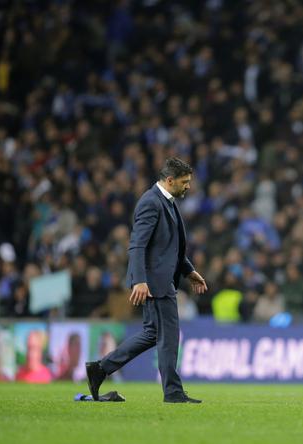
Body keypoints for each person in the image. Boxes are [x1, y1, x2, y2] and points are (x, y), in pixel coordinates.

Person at [85, 158, 207, 403]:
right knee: (169, 335)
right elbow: (138, 244)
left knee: (152, 334)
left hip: (159, 279)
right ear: (169, 180)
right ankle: (173, 392)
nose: (188, 187)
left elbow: (168, 247)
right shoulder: (151, 202)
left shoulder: (167, 202)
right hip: (155, 282)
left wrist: (188, 270)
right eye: (184, 182)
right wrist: (139, 280)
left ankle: (100, 368)